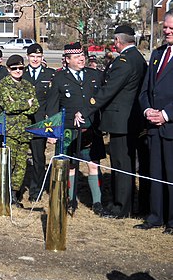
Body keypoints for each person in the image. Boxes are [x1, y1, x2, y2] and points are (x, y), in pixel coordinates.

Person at [75, 25, 147, 219]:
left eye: (114, 40)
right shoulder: (138, 58)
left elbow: (108, 91)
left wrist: (86, 110)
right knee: (126, 164)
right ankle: (125, 204)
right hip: (130, 120)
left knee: (121, 165)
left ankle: (120, 207)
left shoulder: (124, 62)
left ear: (118, 41)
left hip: (121, 121)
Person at [47, 42, 105, 216]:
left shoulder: (94, 75)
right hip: (68, 129)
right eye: (77, 57)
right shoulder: (58, 78)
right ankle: (70, 200)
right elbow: (52, 108)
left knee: (93, 164)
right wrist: (52, 132)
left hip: (91, 128)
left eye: (82, 56)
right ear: (67, 59)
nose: (81, 59)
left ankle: (97, 202)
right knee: (70, 166)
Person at [136, 9, 173, 234]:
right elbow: (145, 91)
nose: (167, 31)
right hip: (153, 127)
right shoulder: (158, 54)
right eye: (165, 27)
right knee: (155, 173)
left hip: (170, 125)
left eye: (171, 28)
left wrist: (166, 115)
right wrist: (148, 109)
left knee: (171, 174)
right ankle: (155, 216)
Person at [0, 54, 38, 208]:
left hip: (24, 131)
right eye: (14, 68)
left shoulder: (28, 85)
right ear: (8, 69)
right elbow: (8, 107)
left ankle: (13, 195)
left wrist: (18, 103)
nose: (18, 70)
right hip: (9, 132)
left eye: (20, 68)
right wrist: (26, 104)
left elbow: (35, 106)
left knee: (21, 166)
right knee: (6, 163)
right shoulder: (4, 84)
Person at [23, 43, 55, 202]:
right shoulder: (20, 73)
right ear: (27, 57)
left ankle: (36, 191)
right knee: (19, 158)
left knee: (38, 159)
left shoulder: (50, 74)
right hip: (22, 123)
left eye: (38, 56)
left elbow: (52, 101)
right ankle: (17, 190)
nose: (35, 59)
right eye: (32, 56)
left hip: (40, 123)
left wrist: (51, 127)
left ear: (42, 58)